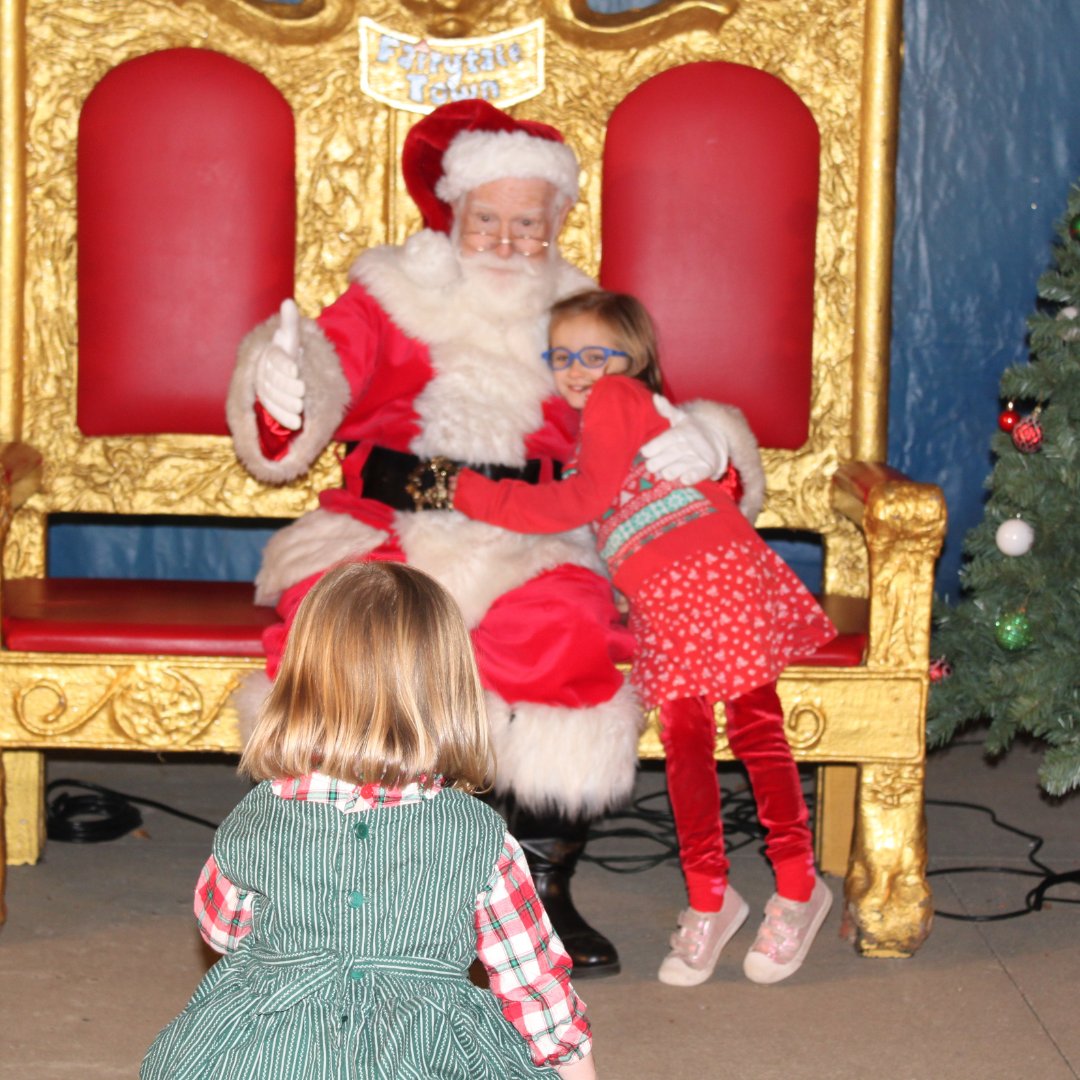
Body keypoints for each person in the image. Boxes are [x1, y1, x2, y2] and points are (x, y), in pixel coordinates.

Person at [226, 99, 754, 977]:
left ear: (557, 226)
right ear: (453, 214)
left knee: (568, 630)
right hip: (388, 521)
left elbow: (652, 419)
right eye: (489, 220)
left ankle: (538, 891)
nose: (508, 242)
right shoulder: (391, 295)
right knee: (344, 633)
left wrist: (701, 443)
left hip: (537, 536)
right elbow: (319, 367)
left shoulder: (582, 318)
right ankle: (333, 884)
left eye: (529, 224)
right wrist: (284, 383)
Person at [451, 290, 838, 987]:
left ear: (635, 361)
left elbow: (583, 502)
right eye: (563, 355)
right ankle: (710, 900)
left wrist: (472, 493)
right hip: (664, 599)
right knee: (687, 748)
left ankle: (800, 887)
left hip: (713, 576)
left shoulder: (618, 400)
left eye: (595, 355)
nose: (577, 369)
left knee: (755, 732)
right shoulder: (603, 424)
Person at [141, 561, 597, 1080]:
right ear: (450, 693)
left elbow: (222, 929)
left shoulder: (260, 815)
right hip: (424, 1052)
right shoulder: (478, 837)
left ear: (301, 683)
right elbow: (533, 981)